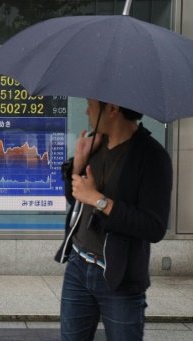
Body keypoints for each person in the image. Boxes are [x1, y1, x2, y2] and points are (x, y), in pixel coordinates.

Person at [55, 99, 173, 341]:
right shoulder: (96, 144)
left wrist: (100, 201)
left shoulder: (152, 157)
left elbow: (154, 227)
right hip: (78, 265)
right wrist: (78, 161)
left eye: (91, 104)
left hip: (120, 277)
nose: (87, 110)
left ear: (112, 109)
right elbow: (74, 197)